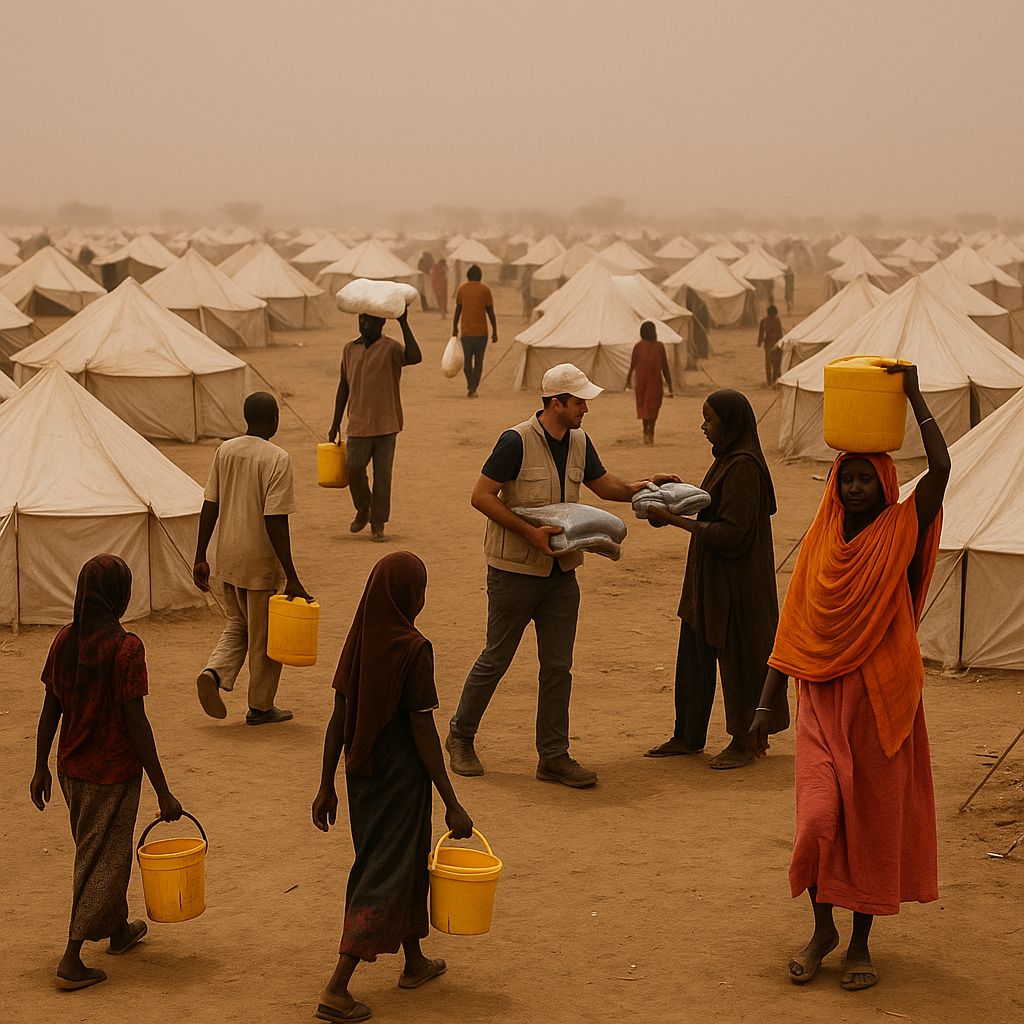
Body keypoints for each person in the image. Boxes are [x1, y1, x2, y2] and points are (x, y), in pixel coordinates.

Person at [750, 364, 948, 992]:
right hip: (822, 700)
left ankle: (858, 942)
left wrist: (913, 394)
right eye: (847, 478)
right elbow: (795, 623)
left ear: (884, 484)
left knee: (872, 823)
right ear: (834, 483)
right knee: (818, 817)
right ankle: (821, 927)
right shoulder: (821, 542)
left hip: (883, 705)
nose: (856, 486)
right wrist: (766, 702)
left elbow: (940, 470)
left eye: (866, 478)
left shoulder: (901, 530)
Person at [446, 363, 680, 788]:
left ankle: (553, 756)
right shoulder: (514, 441)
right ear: (556, 404)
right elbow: (481, 496)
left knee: (558, 667)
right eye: (579, 402)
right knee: (496, 658)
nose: (585, 409)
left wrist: (642, 487)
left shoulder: (578, 442)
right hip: (514, 570)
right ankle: (460, 737)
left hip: (561, 571)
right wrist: (530, 534)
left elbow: (603, 485)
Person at [312, 552, 474, 1023]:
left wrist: (327, 784)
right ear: (408, 595)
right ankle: (337, 986)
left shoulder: (360, 638)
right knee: (384, 872)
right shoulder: (413, 648)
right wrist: (452, 801)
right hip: (401, 782)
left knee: (395, 863)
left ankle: (414, 960)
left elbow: (338, 717)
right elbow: (423, 731)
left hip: (360, 777)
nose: (422, 600)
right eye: (420, 591)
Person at [30, 554, 183, 991]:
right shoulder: (126, 648)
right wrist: (164, 792)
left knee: (98, 848)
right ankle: (72, 955)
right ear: (118, 595)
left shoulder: (64, 640)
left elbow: (48, 711)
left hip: (70, 770)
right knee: (101, 858)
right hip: (111, 772)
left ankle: (118, 929)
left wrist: (40, 766)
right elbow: (136, 721)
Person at [645, 390, 787, 768]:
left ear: (732, 422)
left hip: (738, 584)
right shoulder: (728, 460)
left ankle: (744, 741)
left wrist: (673, 519)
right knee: (694, 655)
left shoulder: (743, 466)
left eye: (709, 419)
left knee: (742, 659)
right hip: (710, 580)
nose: (704, 426)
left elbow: (732, 534)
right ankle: (687, 735)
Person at [194, 392, 312, 725]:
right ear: (275, 417)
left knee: (237, 625)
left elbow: (210, 504)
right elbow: (275, 519)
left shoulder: (225, 450)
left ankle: (214, 673)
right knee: (264, 636)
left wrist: (201, 554)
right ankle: (261, 706)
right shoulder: (276, 458)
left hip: (228, 556)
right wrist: (292, 575)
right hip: (259, 561)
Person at [328, 309, 422, 542]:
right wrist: (335, 423)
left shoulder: (391, 348)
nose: (365, 323)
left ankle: (378, 523)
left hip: (387, 423)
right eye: (362, 319)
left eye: (370, 319)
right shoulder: (349, 349)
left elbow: (415, 356)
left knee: (383, 476)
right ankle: (363, 508)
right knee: (354, 468)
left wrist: (403, 322)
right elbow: (343, 386)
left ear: (381, 322)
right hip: (358, 423)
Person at [452, 264, 497, 397]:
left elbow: (458, 310)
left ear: (468, 276)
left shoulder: (462, 289)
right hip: (481, 332)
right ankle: (473, 386)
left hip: (466, 332)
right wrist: (495, 331)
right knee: (478, 362)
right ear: (480, 276)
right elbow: (490, 312)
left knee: (467, 361)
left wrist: (454, 327)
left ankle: (471, 384)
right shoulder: (485, 289)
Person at [625, 320, 674, 444]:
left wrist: (628, 381)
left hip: (641, 383)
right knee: (653, 407)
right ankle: (650, 430)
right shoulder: (659, 346)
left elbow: (632, 365)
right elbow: (665, 367)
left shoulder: (638, 346)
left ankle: (646, 430)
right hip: (655, 383)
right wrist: (669, 384)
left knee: (644, 407)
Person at [757, 304, 784, 386]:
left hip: (768, 344)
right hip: (776, 344)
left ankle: (770, 382)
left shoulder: (764, 321)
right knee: (776, 363)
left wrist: (759, 342)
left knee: (769, 363)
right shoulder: (777, 320)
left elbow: (761, 333)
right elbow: (780, 333)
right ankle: (774, 380)